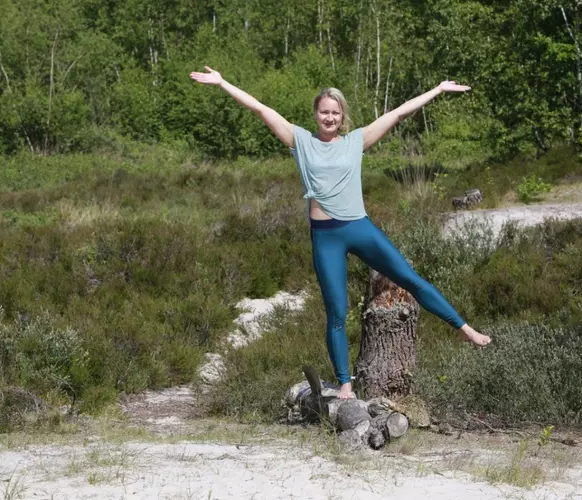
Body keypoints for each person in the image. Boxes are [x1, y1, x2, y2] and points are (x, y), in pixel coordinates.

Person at [190, 66, 491, 399]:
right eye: (323, 112)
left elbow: (398, 113)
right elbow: (260, 108)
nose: (329, 117)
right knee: (336, 311)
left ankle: (464, 329)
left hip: (359, 228)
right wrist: (222, 82)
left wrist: (437, 90)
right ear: (316, 114)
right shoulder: (299, 140)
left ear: (342, 115)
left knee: (410, 280)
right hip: (325, 237)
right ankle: (346, 385)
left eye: (334, 112)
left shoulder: (356, 141)